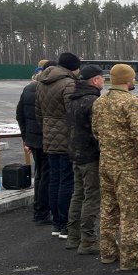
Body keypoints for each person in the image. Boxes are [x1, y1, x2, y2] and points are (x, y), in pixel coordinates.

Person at [91, 63, 138, 270]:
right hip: (126, 166)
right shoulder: (131, 102)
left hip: (106, 162)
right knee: (130, 211)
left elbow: (95, 131)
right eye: (133, 78)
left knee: (108, 208)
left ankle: (108, 252)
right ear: (128, 80)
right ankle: (130, 257)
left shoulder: (100, 102)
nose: (134, 81)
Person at [35, 51, 80, 238]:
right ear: (72, 67)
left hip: (48, 136)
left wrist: (47, 129)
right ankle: (64, 223)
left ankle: (56, 223)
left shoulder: (41, 82)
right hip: (66, 138)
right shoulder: (68, 84)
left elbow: (38, 112)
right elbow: (73, 113)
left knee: (54, 180)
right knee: (67, 181)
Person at [65, 65, 104, 254]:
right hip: (90, 155)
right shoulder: (92, 101)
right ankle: (88, 240)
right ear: (95, 81)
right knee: (92, 197)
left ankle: (74, 236)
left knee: (78, 195)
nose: (103, 82)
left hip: (76, 153)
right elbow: (97, 131)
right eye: (102, 78)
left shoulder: (73, 99)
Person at [16, 59, 53, 226]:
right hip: (47, 138)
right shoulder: (46, 89)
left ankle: (39, 210)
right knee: (47, 175)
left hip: (34, 139)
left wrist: (26, 138)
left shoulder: (29, 88)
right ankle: (42, 211)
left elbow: (20, 115)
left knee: (40, 175)